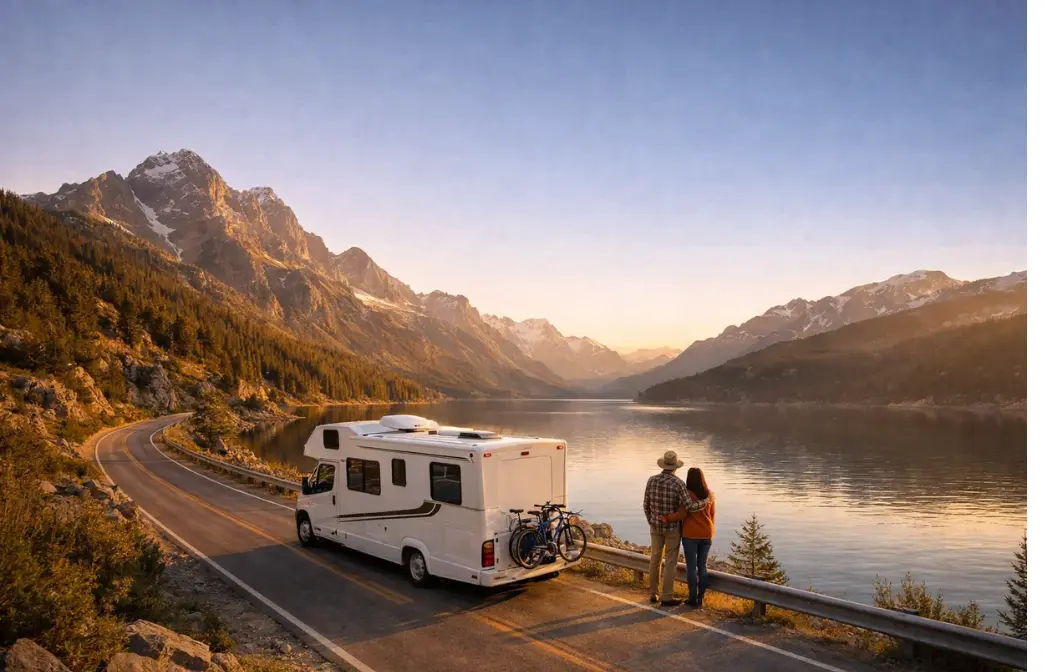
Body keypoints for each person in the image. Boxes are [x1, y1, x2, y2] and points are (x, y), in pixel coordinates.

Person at [642, 451, 708, 606]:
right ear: (675, 467)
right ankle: (666, 596)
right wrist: (705, 501)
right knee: (670, 562)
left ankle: (653, 593)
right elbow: (690, 506)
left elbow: (646, 504)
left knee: (655, 560)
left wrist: (651, 521)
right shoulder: (678, 484)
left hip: (655, 526)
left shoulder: (652, 480)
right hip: (672, 529)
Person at [659, 467, 715, 608]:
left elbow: (682, 514)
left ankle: (692, 598)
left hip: (690, 534)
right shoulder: (710, 495)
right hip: (707, 533)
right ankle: (701, 597)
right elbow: (712, 515)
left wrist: (667, 517)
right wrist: (709, 531)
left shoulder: (687, 495)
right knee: (702, 566)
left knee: (691, 566)